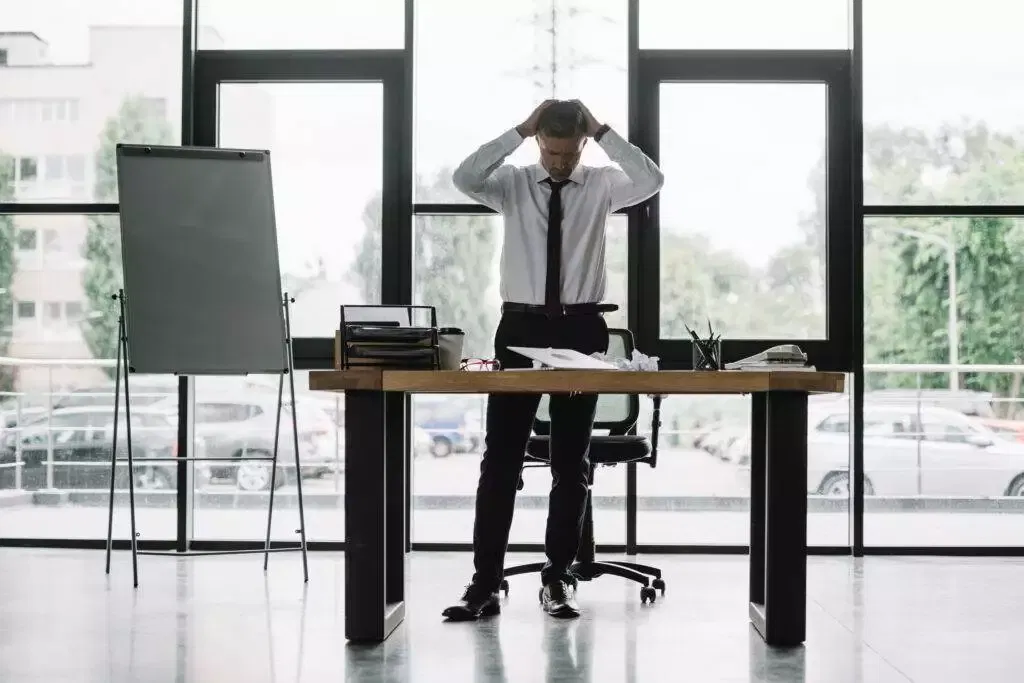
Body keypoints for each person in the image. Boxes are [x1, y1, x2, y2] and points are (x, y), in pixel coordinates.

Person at [442, 99, 664, 621]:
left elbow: (650, 178)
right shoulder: (512, 183)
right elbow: (464, 175)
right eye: (550, 150)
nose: (559, 163)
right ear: (538, 141)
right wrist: (518, 129)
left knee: (571, 462)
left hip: (582, 329)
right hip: (518, 329)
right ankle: (485, 585)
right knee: (500, 462)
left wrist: (603, 130)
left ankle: (559, 577)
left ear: (581, 144)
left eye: (568, 152)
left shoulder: (604, 184)